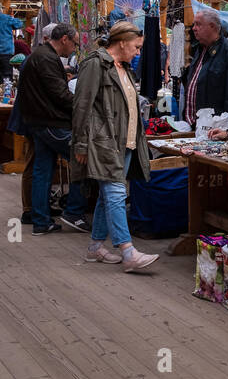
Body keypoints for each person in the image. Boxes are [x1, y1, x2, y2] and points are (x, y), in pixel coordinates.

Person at [72, 21, 158, 272]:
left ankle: (95, 247)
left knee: (107, 195)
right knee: (116, 194)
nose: (139, 52)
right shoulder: (95, 64)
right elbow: (82, 105)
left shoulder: (125, 68)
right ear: (122, 42)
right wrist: (79, 143)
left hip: (126, 141)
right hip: (104, 142)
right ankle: (127, 251)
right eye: (137, 47)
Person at [21, 24, 88, 235]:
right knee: (83, 159)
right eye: (75, 44)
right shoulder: (47, 58)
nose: (74, 49)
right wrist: (84, 105)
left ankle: (41, 221)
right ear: (65, 39)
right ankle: (74, 212)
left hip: (41, 121)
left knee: (43, 169)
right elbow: (59, 95)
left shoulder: (42, 55)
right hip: (51, 122)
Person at [181, 9, 228, 127]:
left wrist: (224, 127)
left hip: (215, 129)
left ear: (212, 26)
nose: (194, 28)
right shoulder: (199, 50)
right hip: (195, 126)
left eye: (198, 24)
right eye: (194, 24)